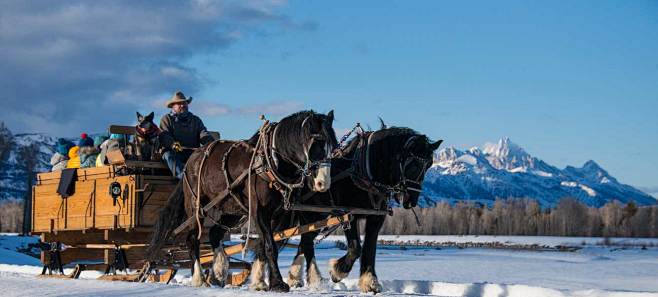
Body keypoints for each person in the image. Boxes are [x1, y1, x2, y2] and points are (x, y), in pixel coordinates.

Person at [159, 91, 214, 178]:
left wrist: (211, 142)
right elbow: (164, 136)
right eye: (179, 103)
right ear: (173, 106)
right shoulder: (166, 119)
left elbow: (203, 133)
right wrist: (173, 144)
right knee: (168, 155)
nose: (183, 105)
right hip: (175, 153)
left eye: (184, 103)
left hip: (193, 153)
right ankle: (184, 179)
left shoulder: (196, 120)